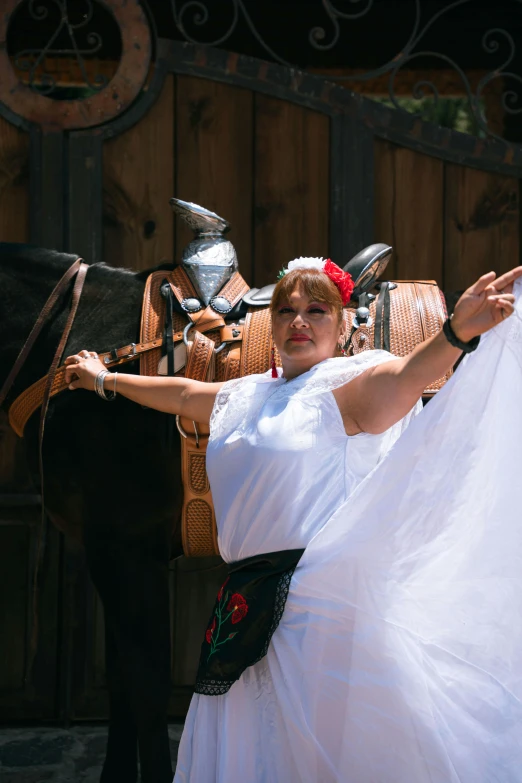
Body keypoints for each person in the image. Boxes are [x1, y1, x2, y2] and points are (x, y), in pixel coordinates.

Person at [65, 258, 522, 783]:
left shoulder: (350, 389)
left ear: (344, 322)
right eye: (286, 310)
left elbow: (408, 374)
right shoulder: (252, 393)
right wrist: (106, 380)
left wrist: (455, 332)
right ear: (272, 324)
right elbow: (185, 396)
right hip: (246, 610)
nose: (299, 321)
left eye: (316, 310)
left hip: (320, 619)